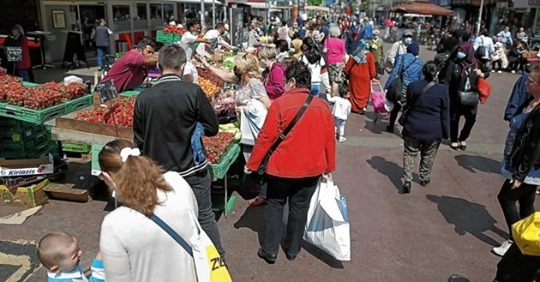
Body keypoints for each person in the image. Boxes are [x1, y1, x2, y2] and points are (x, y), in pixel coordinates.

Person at [133, 44, 225, 258]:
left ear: (158, 65)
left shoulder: (144, 98)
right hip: (192, 170)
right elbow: (213, 128)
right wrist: (194, 128)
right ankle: (217, 263)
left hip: (159, 173)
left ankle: (173, 262)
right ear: (183, 67)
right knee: (204, 216)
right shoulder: (192, 91)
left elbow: (139, 139)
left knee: (162, 219)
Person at [245, 61, 335, 264]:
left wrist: (252, 164)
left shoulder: (280, 104)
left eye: (286, 81)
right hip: (312, 168)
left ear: (292, 81)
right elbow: (329, 141)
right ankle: (293, 249)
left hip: (281, 168)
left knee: (276, 205)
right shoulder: (322, 106)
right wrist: (329, 166)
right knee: (299, 208)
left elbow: (265, 139)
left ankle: (270, 250)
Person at [97, 140, 200, 281]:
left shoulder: (114, 224)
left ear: (107, 176)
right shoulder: (177, 183)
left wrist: (118, 191)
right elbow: (193, 224)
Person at [492, 65, 540, 257]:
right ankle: (531, 239)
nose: (526, 83)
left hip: (528, 169)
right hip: (519, 163)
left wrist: (520, 175)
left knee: (505, 198)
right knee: (526, 203)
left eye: (531, 81)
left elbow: (535, 147)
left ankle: (516, 240)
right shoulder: (530, 102)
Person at [400, 61, 450, 193]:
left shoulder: (413, 86)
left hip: (413, 126)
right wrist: (446, 132)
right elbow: (445, 113)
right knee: (428, 155)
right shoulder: (443, 90)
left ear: (423, 72)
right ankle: (424, 176)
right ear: (436, 73)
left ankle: (407, 180)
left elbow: (408, 104)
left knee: (410, 153)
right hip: (433, 129)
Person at [441, 41, 479, 151]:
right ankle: (453, 139)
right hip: (456, 96)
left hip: (471, 96)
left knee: (471, 119)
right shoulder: (453, 64)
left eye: (462, 51)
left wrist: (481, 73)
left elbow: (486, 72)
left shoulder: (475, 64)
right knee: (454, 119)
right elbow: (447, 81)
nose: (460, 53)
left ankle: (463, 137)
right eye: (459, 50)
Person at [384, 42, 424, 132]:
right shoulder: (420, 63)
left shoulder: (402, 57)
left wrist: (387, 85)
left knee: (395, 108)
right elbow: (421, 78)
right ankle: (405, 130)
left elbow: (395, 72)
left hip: (400, 87)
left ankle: (391, 126)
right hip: (412, 89)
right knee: (408, 109)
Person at [37, 232, 105, 282]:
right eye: (74, 256)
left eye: (78, 249)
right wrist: (98, 267)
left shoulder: (62, 268)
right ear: (55, 269)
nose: (80, 253)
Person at [343, 40, 377, 114]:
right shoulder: (369, 55)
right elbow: (372, 68)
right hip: (365, 76)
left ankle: (354, 107)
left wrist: (345, 71)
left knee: (354, 91)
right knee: (364, 92)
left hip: (354, 75)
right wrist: (373, 76)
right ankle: (361, 107)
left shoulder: (355, 53)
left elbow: (349, 65)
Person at [323, 25, 346, 97]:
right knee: (336, 79)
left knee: (331, 78)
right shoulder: (341, 42)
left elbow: (324, 51)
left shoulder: (327, 40)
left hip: (330, 60)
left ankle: (330, 94)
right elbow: (343, 53)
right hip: (339, 60)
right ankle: (333, 95)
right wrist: (344, 62)